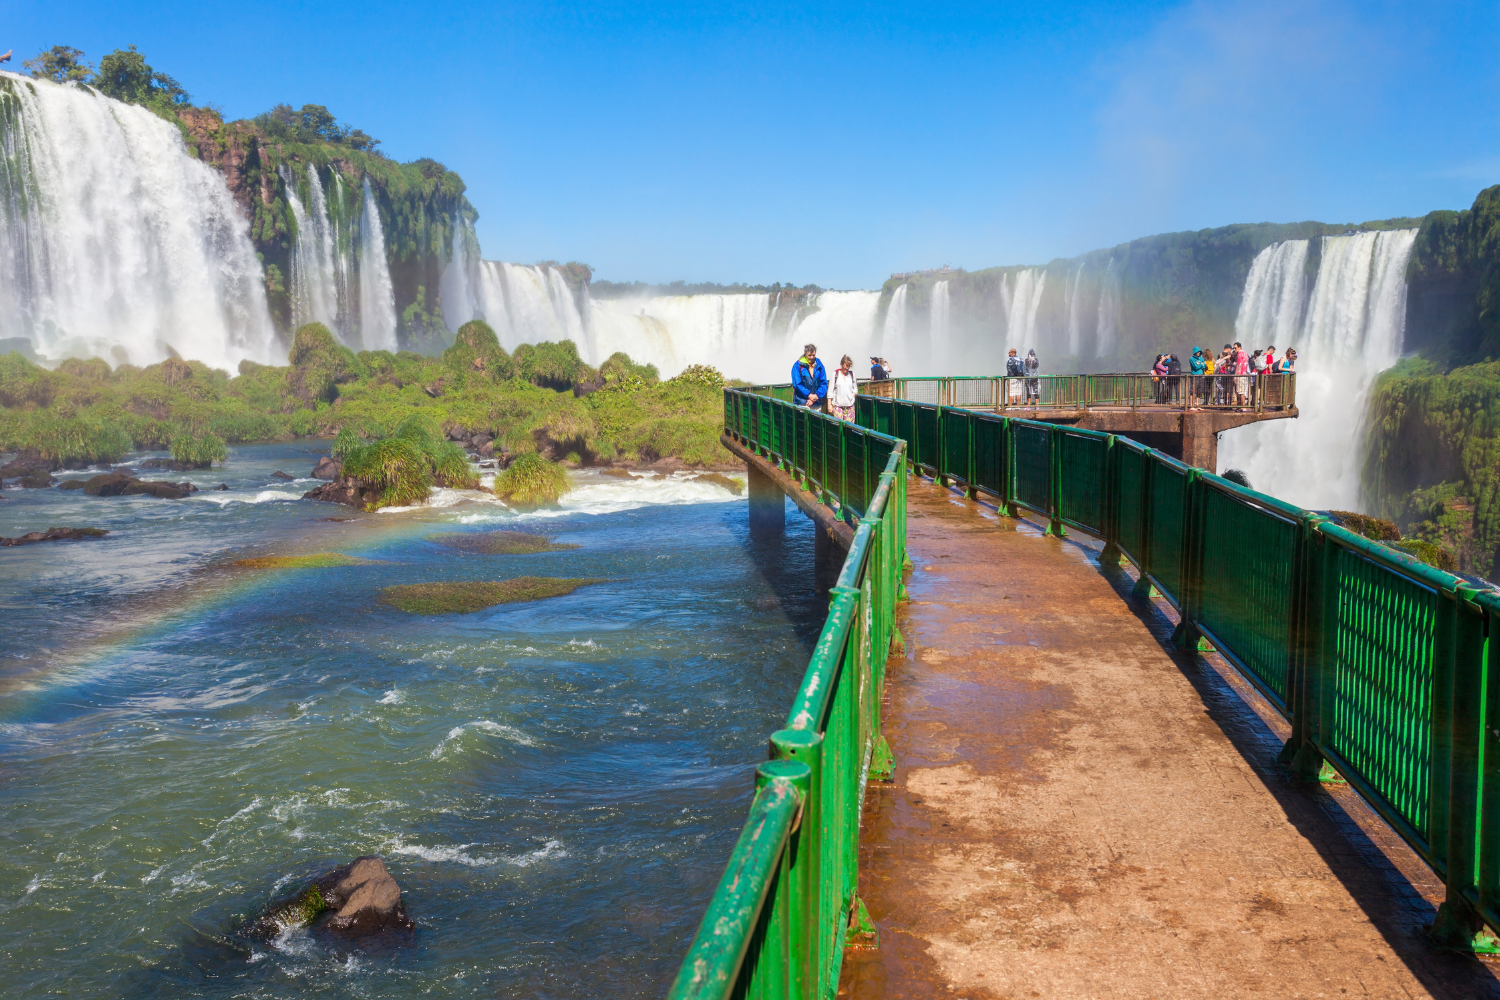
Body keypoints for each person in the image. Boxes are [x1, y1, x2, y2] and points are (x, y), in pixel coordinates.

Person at [791, 343, 828, 409]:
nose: (812, 357)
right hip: (802, 403)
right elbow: (797, 384)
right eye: (809, 355)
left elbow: (824, 382)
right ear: (805, 354)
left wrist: (816, 396)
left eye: (813, 355)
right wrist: (809, 395)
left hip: (816, 403)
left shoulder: (819, 365)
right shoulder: (798, 365)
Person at [830, 355, 858, 421]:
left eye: (848, 366)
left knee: (849, 428)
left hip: (849, 406)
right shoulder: (835, 374)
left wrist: (853, 395)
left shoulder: (851, 374)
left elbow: (855, 388)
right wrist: (829, 405)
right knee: (838, 427)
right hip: (837, 406)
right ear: (841, 364)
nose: (847, 368)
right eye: (845, 365)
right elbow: (830, 391)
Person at [1233, 341, 1250, 407]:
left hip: (1240, 374)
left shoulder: (1240, 354)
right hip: (1244, 374)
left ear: (1239, 347)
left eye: (1235, 348)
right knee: (1241, 390)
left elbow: (1238, 365)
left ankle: (1242, 406)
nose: (1234, 350)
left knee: (1240, 391)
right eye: (1233, 348)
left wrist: (1235, 376)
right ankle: (1241, 406)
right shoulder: (1245, 353)